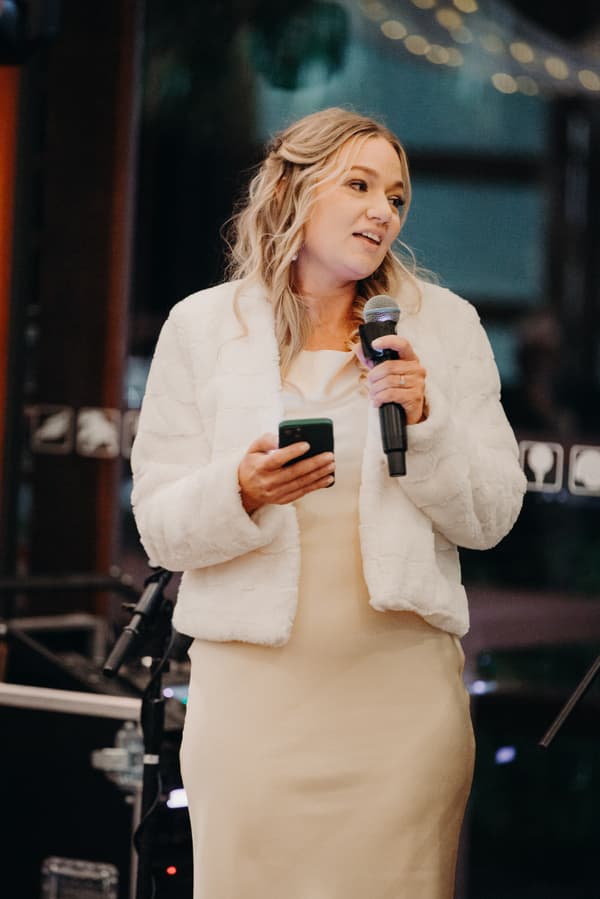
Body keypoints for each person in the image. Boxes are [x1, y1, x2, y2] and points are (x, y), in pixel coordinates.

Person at [131, 107, 526, 899]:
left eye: (398, 196)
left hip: (401, 708)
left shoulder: (443, 328)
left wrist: (425, 420)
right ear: (293, 188)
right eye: (360, 184)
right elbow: (160, 527)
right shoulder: (204, 327)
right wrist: (238, 491)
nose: (384, 210)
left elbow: (492, 515)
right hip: (249, 709)